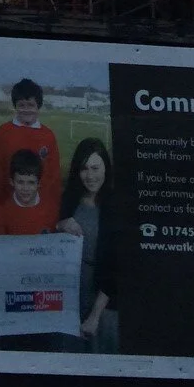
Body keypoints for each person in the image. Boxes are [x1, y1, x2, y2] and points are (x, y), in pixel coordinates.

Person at [57, 137, 119, 353]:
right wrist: (60, 224)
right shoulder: (68, 200)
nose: (90, 175)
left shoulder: (114, 205)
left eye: (95, 168)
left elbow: (116, 267)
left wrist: (94, 317)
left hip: (102, 303)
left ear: (105, 168)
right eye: (85, 169)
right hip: (71, 298)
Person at [0, 78, 60, 202]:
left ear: (38, 105)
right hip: (8, 202)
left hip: (39, 204)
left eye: (31, 105)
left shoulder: (48, 135)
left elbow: (54, 175)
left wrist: (50, 202)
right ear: (15, 106)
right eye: (21, 105)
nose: (26, 109)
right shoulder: (4, 131)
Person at [0, 147, 59, 235]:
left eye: (31, 182)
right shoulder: (3, 211)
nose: (25, 188)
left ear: (39, 183)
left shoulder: (52, 207)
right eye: (20, 182)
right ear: (11, 182)